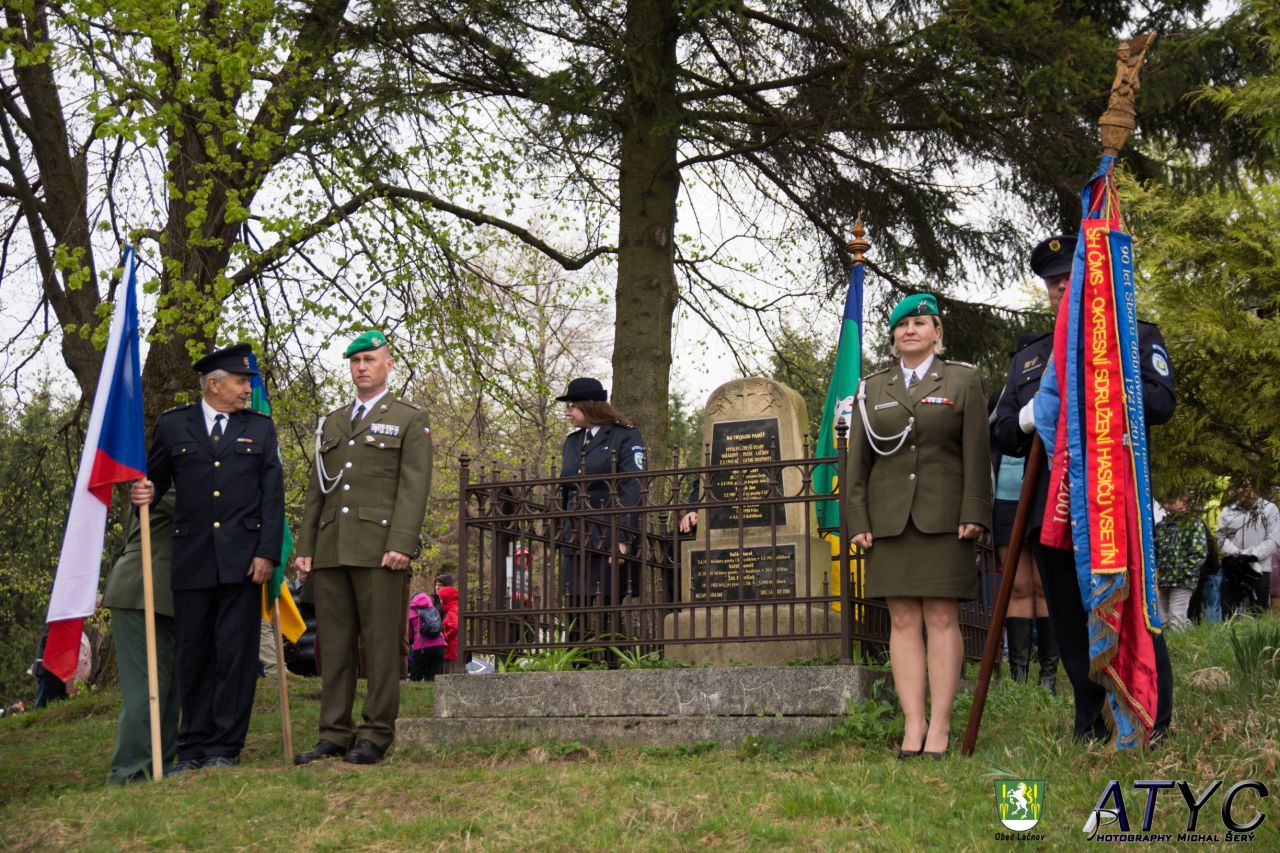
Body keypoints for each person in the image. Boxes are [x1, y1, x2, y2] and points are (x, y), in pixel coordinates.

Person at [1001, 234, 1177, 744]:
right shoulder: (1031, 357)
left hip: (1113, 506)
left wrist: (1103, 379)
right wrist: (1033, 415)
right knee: (1070, 619)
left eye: (1070, 278)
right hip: (1053, 509)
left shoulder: (1133, 335)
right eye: (1053, 281)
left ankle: (1151, 719)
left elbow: (1161, 403)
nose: (1061, 287)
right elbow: (1004, 430)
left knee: (1132, 609)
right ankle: (1090, 723)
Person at [845, 293, 992, 759]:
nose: (911, 330)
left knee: (942, 618)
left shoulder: (962, 379)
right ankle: (914, 723)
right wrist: (857, 518)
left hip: (944, 518)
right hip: (889, 520)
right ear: (893, 336)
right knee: (903, 619)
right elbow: (858, 461)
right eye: (903, 324)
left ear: (937, 332)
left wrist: (975, 510)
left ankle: (941, 725)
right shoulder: (872, 387)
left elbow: (977, 451)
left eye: (921, 323)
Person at [129, 343, 284, 771]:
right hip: (193, 557)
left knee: (235, 656)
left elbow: (273, 497)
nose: (247, 389)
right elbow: (154, 482)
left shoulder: (260, 428)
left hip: (243, 561)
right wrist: (143, 493)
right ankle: (193, 746)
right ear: (214, 385)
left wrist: (267, 553)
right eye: (240, 382)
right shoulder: (173, 425)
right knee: (194, 653)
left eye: (248, 382)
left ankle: (224, 747)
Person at [294, 331, 433, 767]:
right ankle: (334, 732)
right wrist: (306, 545)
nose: (361, 367)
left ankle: (375, 733)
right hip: (332, 548)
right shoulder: (333, 422)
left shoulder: (409, 418)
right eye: (355, 361)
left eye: (370, 359)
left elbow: (414, 486)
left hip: (380, 549)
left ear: (388, 365)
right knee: (334, 645)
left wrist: (401, 543)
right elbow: (318, 490)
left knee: (380, 645)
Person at [103, 491, 181, 784]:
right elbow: (206, 504)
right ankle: (130, 770)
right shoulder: (160, 485)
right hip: (139, 589)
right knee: (146, 688)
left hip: (167, 594)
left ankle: (160, 764)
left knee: (171, 690)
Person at [555, 377, 645, 607]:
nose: (568, 413)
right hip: (575, 537)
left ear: (590, 405)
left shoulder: (624, 436)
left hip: (608, 536)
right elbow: (565, 491)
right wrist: (556, 535)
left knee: (608, 611)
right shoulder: (572, 442)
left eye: (572, 406)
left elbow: (632, 487)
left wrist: (623, 536)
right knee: (575, 611)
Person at [990, 450, 1058, 691]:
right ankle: (1018, 676)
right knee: (1018, 586)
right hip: (1005, 494)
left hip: (1045, 492)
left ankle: (1048, 677)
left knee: (1043, 584)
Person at [1216, 483, 1279, 616]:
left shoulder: (1269, 509)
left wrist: (1250, 555)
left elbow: (1274, 539)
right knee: (1228, 611)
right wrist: (1236, 553)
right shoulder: (1228, 510)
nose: (1241, 490)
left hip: (1259, 568)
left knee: (1257, 613)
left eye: (1246, 486)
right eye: (1238, 486)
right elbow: (1221, 536)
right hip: (1233, 567)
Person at [1153, 492, 1209, 631]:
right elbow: (1156, 551)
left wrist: (1186, 573)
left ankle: (1177, 644)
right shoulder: (1161, 525)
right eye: (1166, 497)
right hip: (1165, 580)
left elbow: (1199, 552)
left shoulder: (1193, 523)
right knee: (1171, 617)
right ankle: (1195, 638)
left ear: (1184, 501)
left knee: (1175, 617)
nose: (1167, 500)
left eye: (1172, 497)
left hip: (1183, 580)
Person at [407, 591, 446, 681]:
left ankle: (416, 690)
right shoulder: (434, 610)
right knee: (432, 679)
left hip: (422, 647)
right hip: (440, 646)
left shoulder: (411, 613)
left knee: (415, 678)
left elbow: (409, 635)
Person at [435, 574, 460, 674]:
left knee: (449, 675)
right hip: (451, 649)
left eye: (442, 599)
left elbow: (454, 626)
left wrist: (444, 637)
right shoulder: (453, 608)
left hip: (451, 650)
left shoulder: (452, 610)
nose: (441, 601)